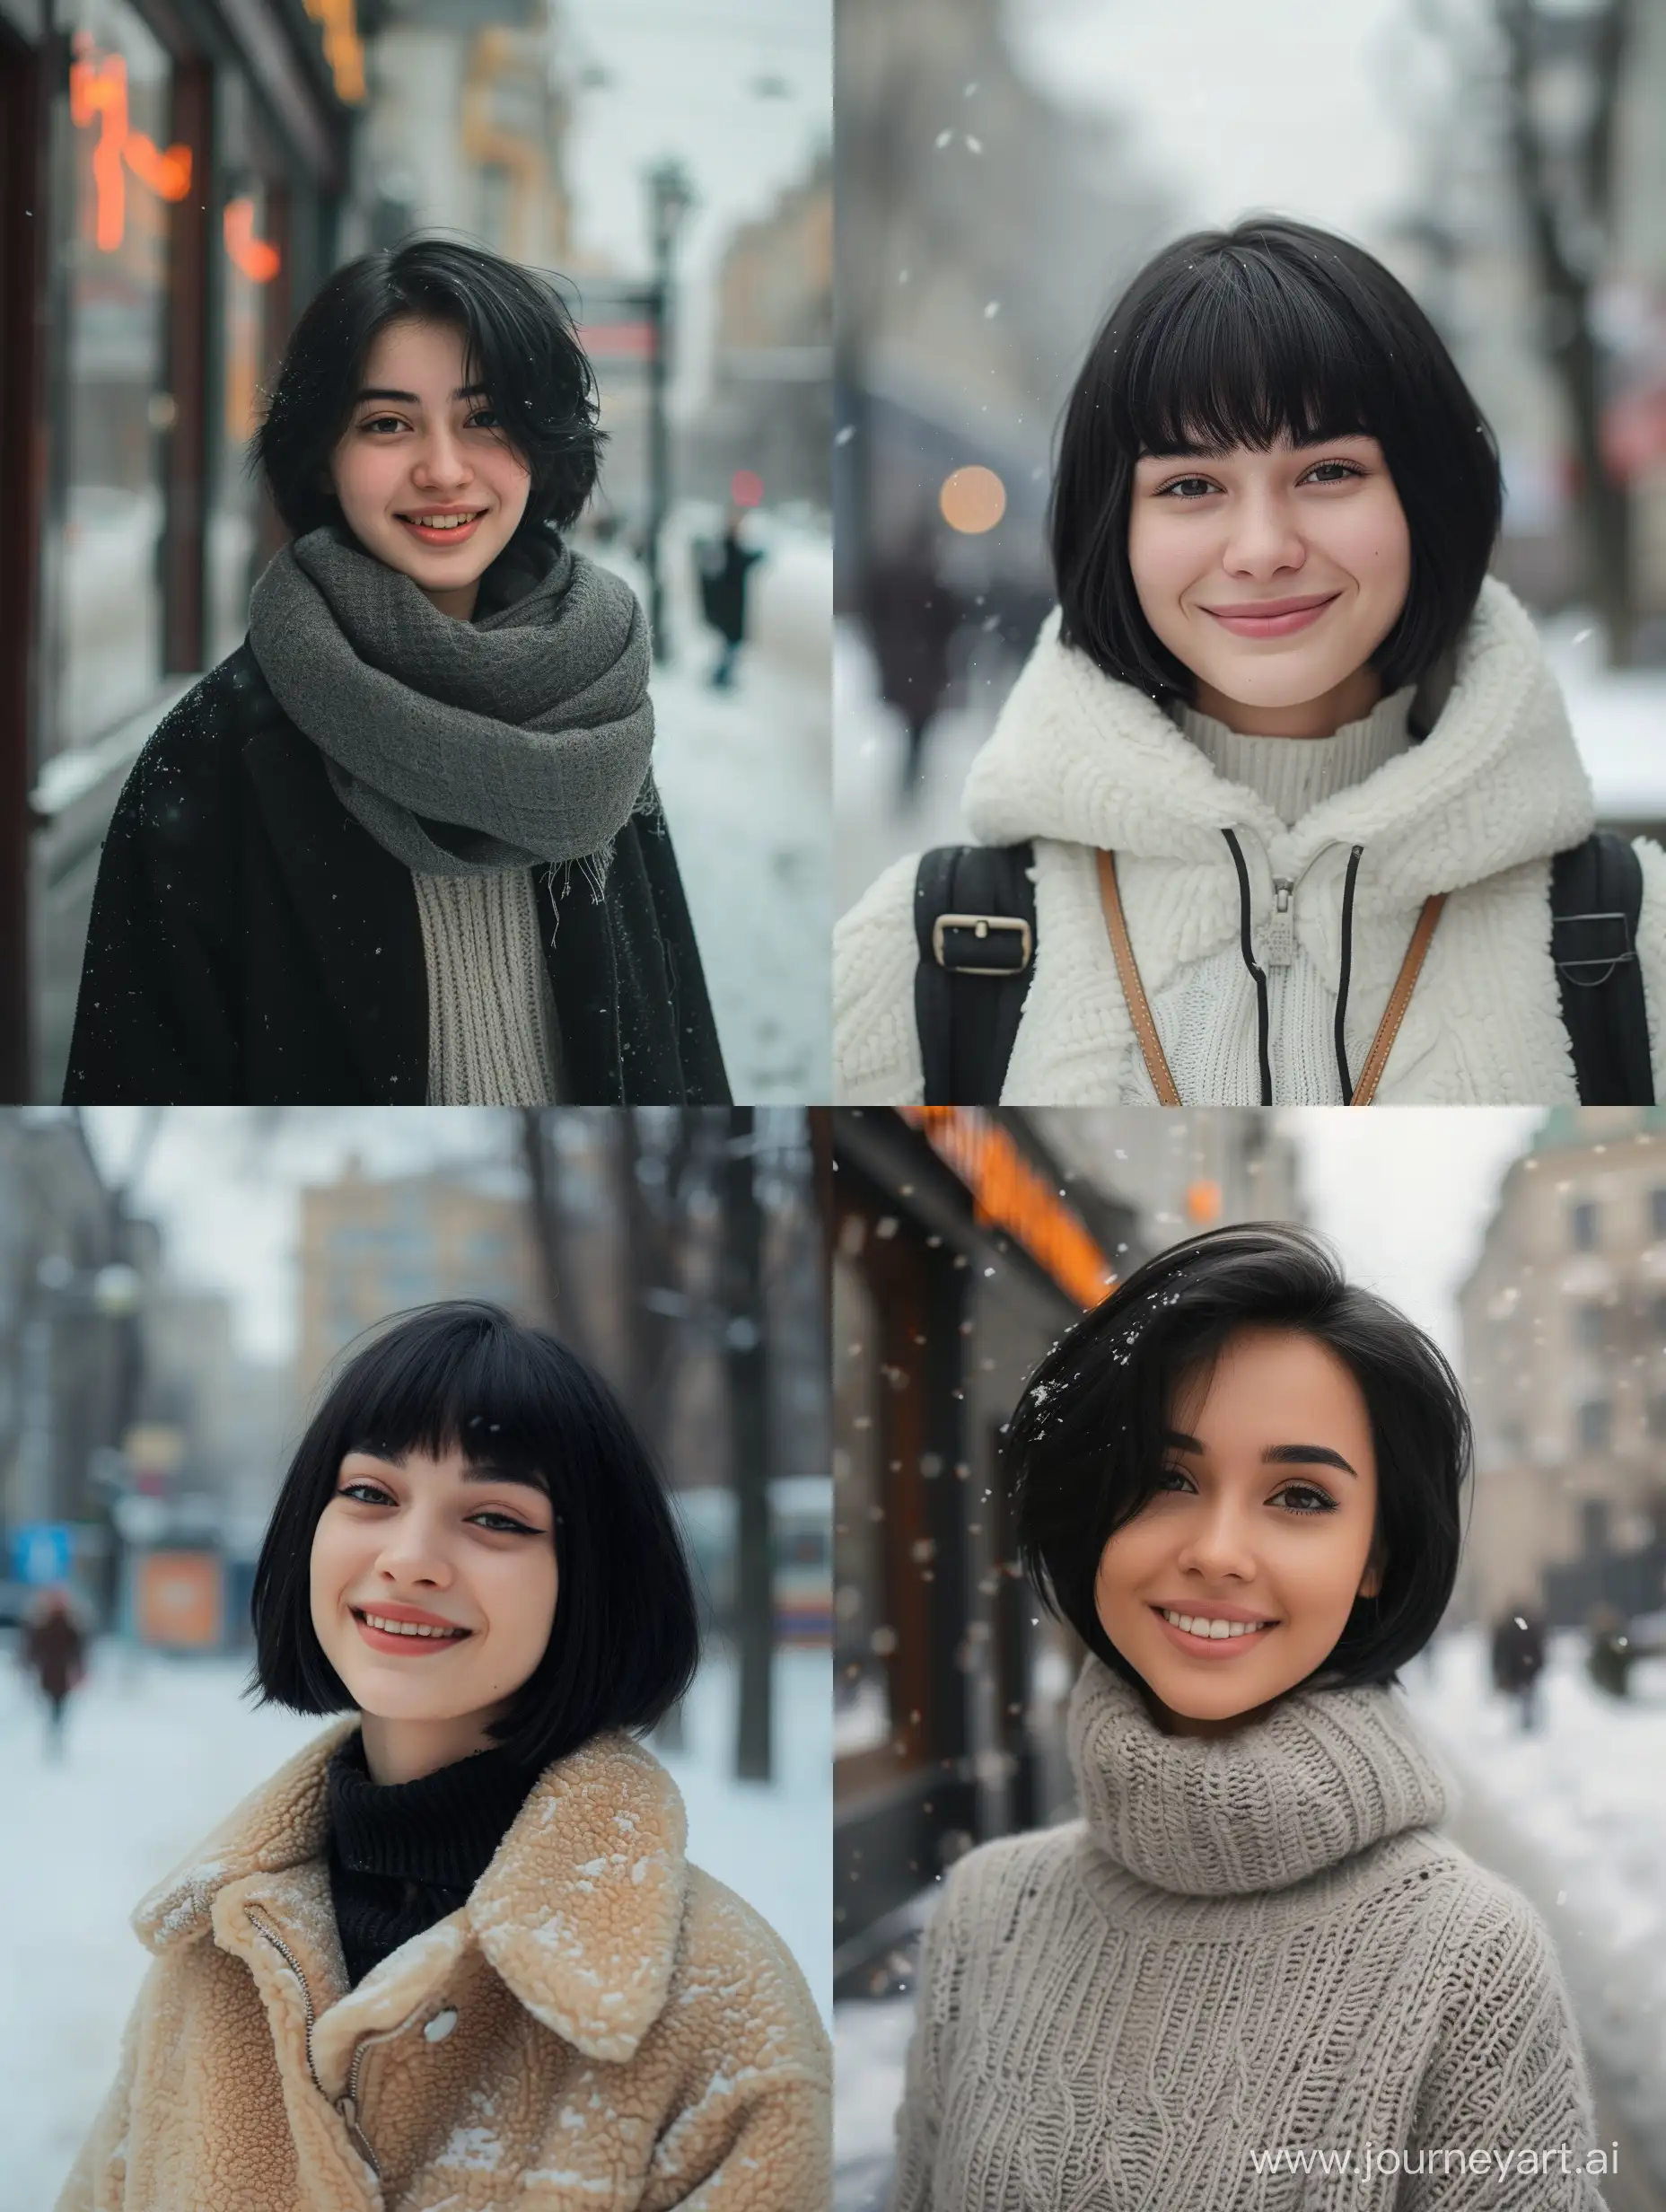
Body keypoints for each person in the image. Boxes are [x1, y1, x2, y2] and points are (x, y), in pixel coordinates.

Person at [835, 215, 1666, 1106]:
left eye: (1327, 472)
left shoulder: (1630, 940)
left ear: (1425, 498)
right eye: (1190, 486)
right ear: (1112, 529)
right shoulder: (926, 950)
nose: (1261, 548)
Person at [892, 1225, 1609, 2210]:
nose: (1218, 1550)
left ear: (1376, 1560)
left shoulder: (1468, 1956)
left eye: (1299, 1496)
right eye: (1168, 1478)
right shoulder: (986, 1911)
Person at [58, 1303, 829, 2212]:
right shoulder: (216, 1953)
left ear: (589, 1580)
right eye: (371, 1494)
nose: (410, 1558)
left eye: (496, 1517)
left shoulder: (719, 2012)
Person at [65, 238, 729, 1109]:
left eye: (484, 417)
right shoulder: (207, 760)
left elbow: (679, 1055)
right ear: (326, 458)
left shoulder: (591, 708)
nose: (442, 470)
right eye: (387, 423)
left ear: (540, 439)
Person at [860, 521, 966, 802]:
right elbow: (951, 625)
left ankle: (907, 779)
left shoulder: (894, 578)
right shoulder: (934, 584)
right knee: (917, 730)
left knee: (910, 728)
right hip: (922, 672)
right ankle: (910, 779)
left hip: (905, 668)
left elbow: (872, 615)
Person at [696, 510, 766, 689]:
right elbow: (740, 564)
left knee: (729, 646)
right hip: (730, 607)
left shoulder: (726, 547)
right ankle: (720, 679)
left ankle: (721, 678)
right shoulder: (728, 547)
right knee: (730, 646)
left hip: (729, 607)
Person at [24, 1585, 86, 1758]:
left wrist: (80, 1671)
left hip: (63, 1673)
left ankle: (56, 1732)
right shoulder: (43, 1625)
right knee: (51, 1704)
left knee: (60, 1705)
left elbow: (78, 1651)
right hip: (49, 1672)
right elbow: (33, 1648)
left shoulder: (70, 1626)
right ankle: (53, 1731)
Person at [1490, 1597, 1548, 1731]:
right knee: (1524, 1698)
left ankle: (1525, 1723)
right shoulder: (1522, 1628)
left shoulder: (1516, 1629)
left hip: (1520, 1669)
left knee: (1523, 1698)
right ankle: (1524, 1723)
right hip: (1523, 1669)